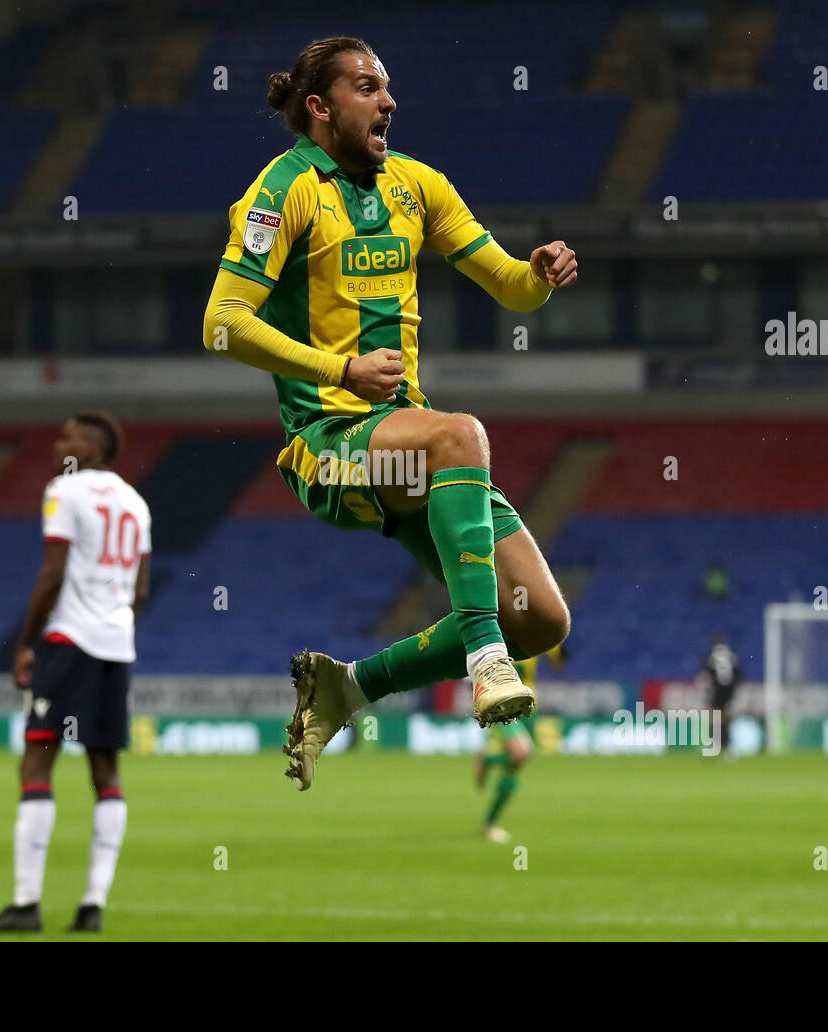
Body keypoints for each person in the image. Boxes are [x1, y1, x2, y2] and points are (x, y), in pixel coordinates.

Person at [202, 36, 576, 791]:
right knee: (461, 436)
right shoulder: (283, 191)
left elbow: (507, 283)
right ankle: (484, 659)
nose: (389, 102)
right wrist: (338, 369)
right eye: (368, 88)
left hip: (405, 449)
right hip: (329, 448)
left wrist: (538, 278)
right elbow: (221, 322)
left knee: (541, 618)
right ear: (320, 107)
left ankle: (348, 687)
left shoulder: (416, 185)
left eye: (388, 88)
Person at [0, 411, 151, 932]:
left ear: (93, 448)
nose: (59, 444)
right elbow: (140, 591)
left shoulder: (64, 491)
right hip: (116, 646)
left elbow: (52, 572)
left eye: (70, 437)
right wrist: (114, 623)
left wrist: (26, 643)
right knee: (106, 772)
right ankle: (92, 906)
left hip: (67, 640)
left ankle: (26, 904)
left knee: (36, 762)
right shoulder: (136, 503)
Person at [476, 643, 566, 842]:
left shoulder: (536, 633)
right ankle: (488, 760)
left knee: (515, 764)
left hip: (527, 706)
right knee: (521, 752)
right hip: (500, 702)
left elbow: (559, 661)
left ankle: (489, 823)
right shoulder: (496, 632)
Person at [702, 633, 740, 758]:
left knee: (716, 719)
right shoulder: (732, 656)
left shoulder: (711, 656)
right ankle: (729, 750)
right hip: (729, 690)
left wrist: (708, 694)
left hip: (717, 690)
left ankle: (714, 747)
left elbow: (706, 676)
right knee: (727, 720)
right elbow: (738, 674)